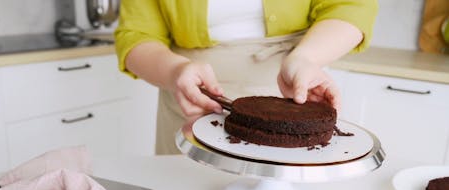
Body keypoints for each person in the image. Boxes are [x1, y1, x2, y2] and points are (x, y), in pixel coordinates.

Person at [115, 0, 378, 155]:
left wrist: (306, 59)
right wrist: (174, 71)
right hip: (192, 99)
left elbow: (351, 6)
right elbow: (136, 35)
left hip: (295, 90)